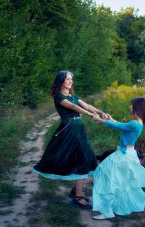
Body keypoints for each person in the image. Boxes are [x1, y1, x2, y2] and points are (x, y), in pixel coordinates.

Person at [91, 97, 145, 220]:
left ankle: (107, 210)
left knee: (104, 175)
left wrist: (99, 120)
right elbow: (122, 126)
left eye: (131, 105)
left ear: (137, 108)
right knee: (119, 181)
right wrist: (110, 119)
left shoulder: (134, 124)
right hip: (128, 153)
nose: (130, 107)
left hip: (123, 155)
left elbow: (120, 126)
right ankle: (113, 206)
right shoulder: (139, 123)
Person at [33, 70, 105, 209]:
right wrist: (91, 115)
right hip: (70, 130)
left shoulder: (72, 95)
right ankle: (78, 196)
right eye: (67, 79)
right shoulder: (58, 96)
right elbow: (73, 107)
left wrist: (100, 112)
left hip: (79, 129)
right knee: (80, 159)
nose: (70, 81)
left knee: (86, 157)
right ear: (61, 81)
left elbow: (86, 105)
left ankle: (75, 191)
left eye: (71, 79)